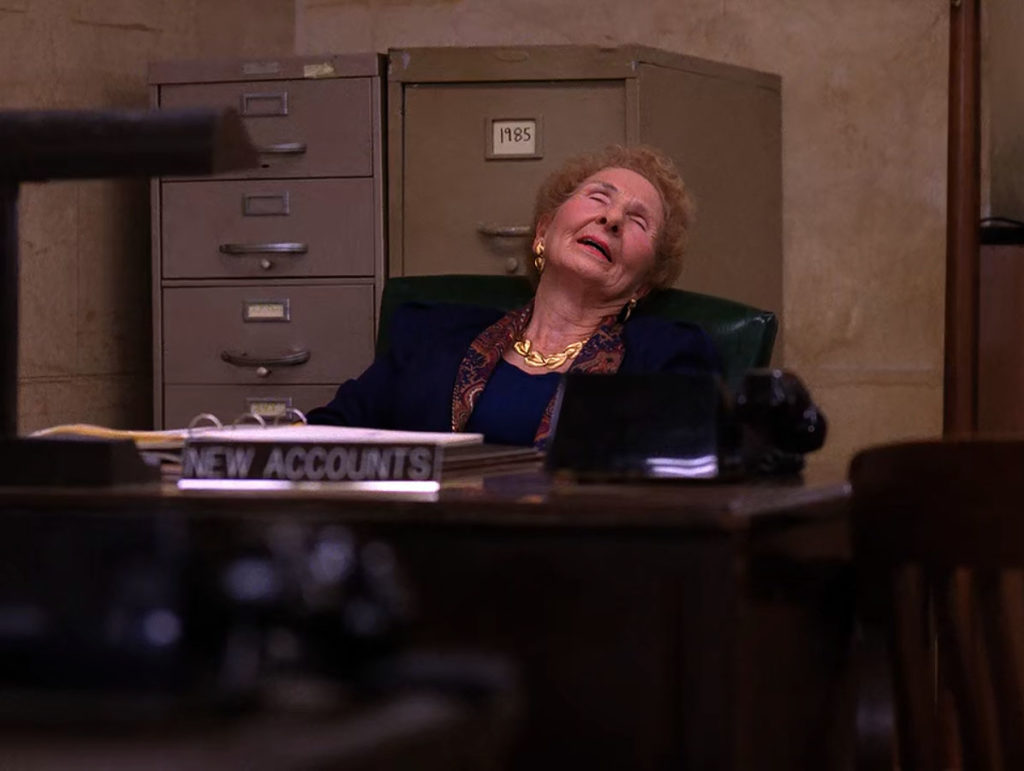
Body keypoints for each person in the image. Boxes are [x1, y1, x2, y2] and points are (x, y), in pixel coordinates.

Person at [307, 145, 720, 448]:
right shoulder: (430, 336)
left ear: (644, 283)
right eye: (598, 197)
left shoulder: (669, 358)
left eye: (638, 221)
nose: (611, 219)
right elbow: (328, 433)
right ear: (543, 231)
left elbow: (684, 479)